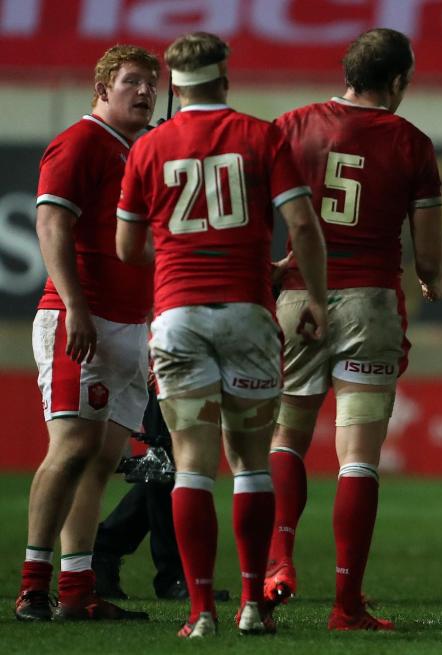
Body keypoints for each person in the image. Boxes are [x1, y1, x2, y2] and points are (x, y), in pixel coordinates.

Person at [115, 31, 328, 638]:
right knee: (251, 463)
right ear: (225, 79)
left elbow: (129, 247)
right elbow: (304, 228)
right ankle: (253, 608)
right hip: (247, 315)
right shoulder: (262, 136)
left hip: (178, 315)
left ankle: (201, 612)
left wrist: (186, 251)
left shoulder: (150, 146)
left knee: (191, 467)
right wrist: (312, 295)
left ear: (174, 87)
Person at [266, 27, 442, 631]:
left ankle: (278, 561)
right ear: (397, 81)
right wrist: (440, 280)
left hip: (298, 297)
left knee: (286, 438)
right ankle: (347, 605)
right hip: (368, 303)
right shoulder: (412, 143)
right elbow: (428, 260)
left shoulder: (290, 126)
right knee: (358, 460)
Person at [15, 44, 159, 623]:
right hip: (84, 318)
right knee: (71, 448)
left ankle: (77, 591)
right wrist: (74, 305)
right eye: (131, 82)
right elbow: (51, 221)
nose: (145, 91)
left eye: (151, 82)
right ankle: (33, 587)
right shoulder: (80, 142)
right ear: (102, 89)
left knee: (101, 459)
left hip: (129, 323)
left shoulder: (138, 150)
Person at [92, 386, 228, 602]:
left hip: (192, 367)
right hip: (165, 367)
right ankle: (174, 576)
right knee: (168, 461)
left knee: (168, 464)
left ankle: (103, 550)